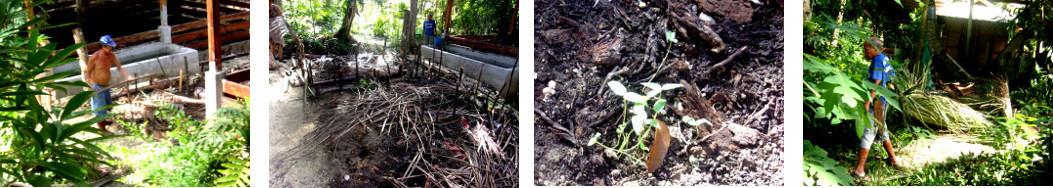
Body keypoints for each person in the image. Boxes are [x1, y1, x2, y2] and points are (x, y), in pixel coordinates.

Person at [850, 37, 903, 181]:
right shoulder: (885, 59)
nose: (864, 52)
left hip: (876, 103)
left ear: (875, 48)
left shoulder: (878, 60)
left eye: (866, 49)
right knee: (881, 129)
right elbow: (890, 77)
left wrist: (868, 101)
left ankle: (860, 169)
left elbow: (877, 83)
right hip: (882, 101)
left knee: (868, 131)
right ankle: (893, 159)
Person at [84, 35, 131, 134]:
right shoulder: (95, 57)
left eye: (111, 47)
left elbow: (119, 67)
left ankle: (104, 121)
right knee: (100, 109)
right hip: (96, 86)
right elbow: (87, 72)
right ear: (103, 46)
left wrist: (127, 76)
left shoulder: (112, 56)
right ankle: (102, 130)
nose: (110, 48)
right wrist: (89, 85)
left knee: (107, 106)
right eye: (109, 46)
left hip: (106, 85)